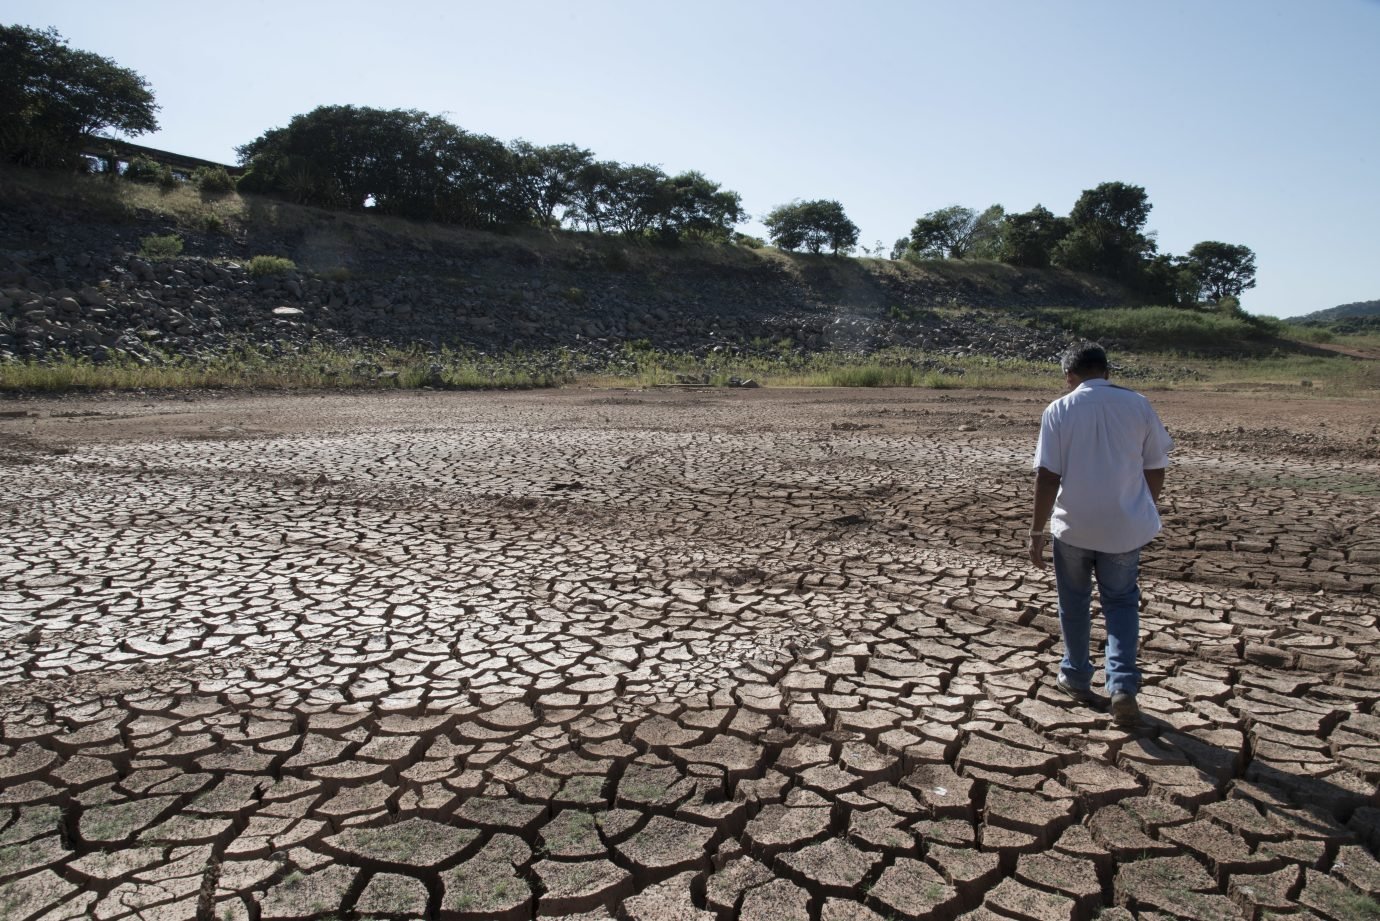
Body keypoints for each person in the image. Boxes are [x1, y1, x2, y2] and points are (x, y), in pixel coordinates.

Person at [1028, 342, 1173, 726]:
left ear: (1069, 376)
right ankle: (1123, 685)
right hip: (1124, 528)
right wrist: (1145, 507)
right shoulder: (1138, 404)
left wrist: (1036, 531)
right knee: (1121, 602)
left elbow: (1047, 475)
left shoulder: (1059, 409)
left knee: (1073, 602)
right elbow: (1156, 465)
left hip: (1073, 525)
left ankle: (1076, 675)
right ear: (1106, 372)